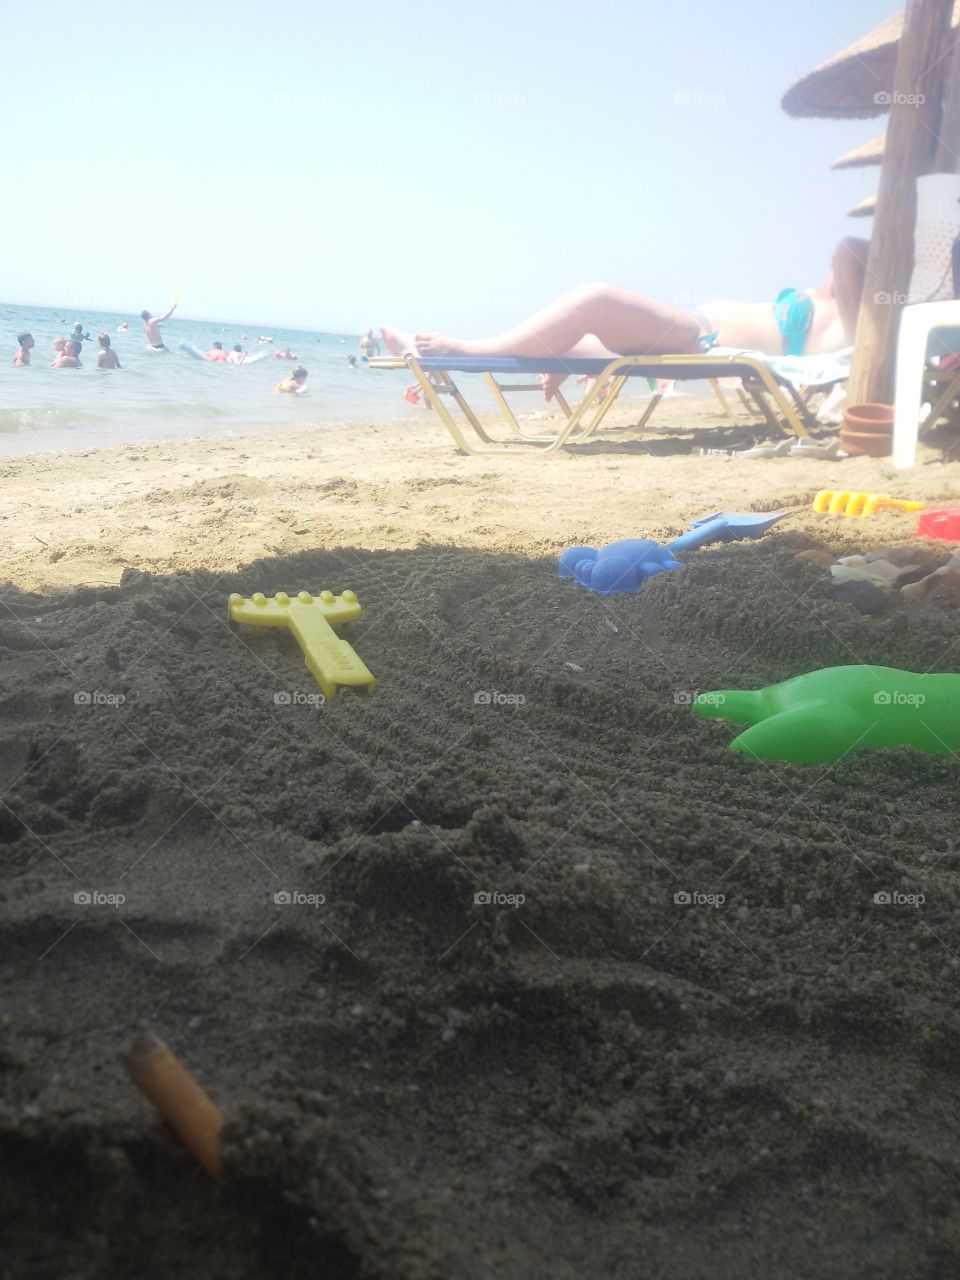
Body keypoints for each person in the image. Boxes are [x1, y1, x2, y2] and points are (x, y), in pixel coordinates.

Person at [380, 237, 869, 401]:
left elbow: (850, 250)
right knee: (560, 344)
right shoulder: (841, 311)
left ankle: (468, 350)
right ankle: (430, 352)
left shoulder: (860, 320)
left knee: (595, 298)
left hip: (699, 341)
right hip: (690, 336)